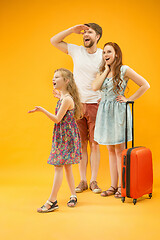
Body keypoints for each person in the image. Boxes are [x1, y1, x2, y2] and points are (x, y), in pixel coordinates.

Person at [92, 42, 150, 198]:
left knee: (119, 151)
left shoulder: (124, 70)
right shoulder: (102, 71)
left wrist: (129, 99)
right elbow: (95, 87)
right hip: (104, 112)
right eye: (104, 52)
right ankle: (112, 185)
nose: (106, 55)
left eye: (109, 52)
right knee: (110, 150)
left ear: (116, 54)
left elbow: (145, 85)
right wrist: (105, 70)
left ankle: (121, 186)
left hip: (118, 111)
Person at [50, 23, 103, 193]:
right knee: (81, 144)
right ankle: (83, 181)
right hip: (77, 105)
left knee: (95, 144)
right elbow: (54, 41)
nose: (85, 34)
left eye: (90, 32)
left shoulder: (103, 55)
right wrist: (71, 30)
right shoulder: (76, 50)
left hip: (96, 103)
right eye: (84, 32)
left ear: (98, 37)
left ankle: (94, 181)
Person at [28, 68, 82, 212]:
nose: (53, 79)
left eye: (57, 77)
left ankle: (52, 201)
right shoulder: (65, 97)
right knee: (67, 166)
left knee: (59, 166)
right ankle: (73, 195)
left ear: (66, 81)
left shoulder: (67, 99)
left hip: (66, 138)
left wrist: (42, 110)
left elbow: (58, 119)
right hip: (63, 136)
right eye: (53, 77)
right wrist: (59, 96)